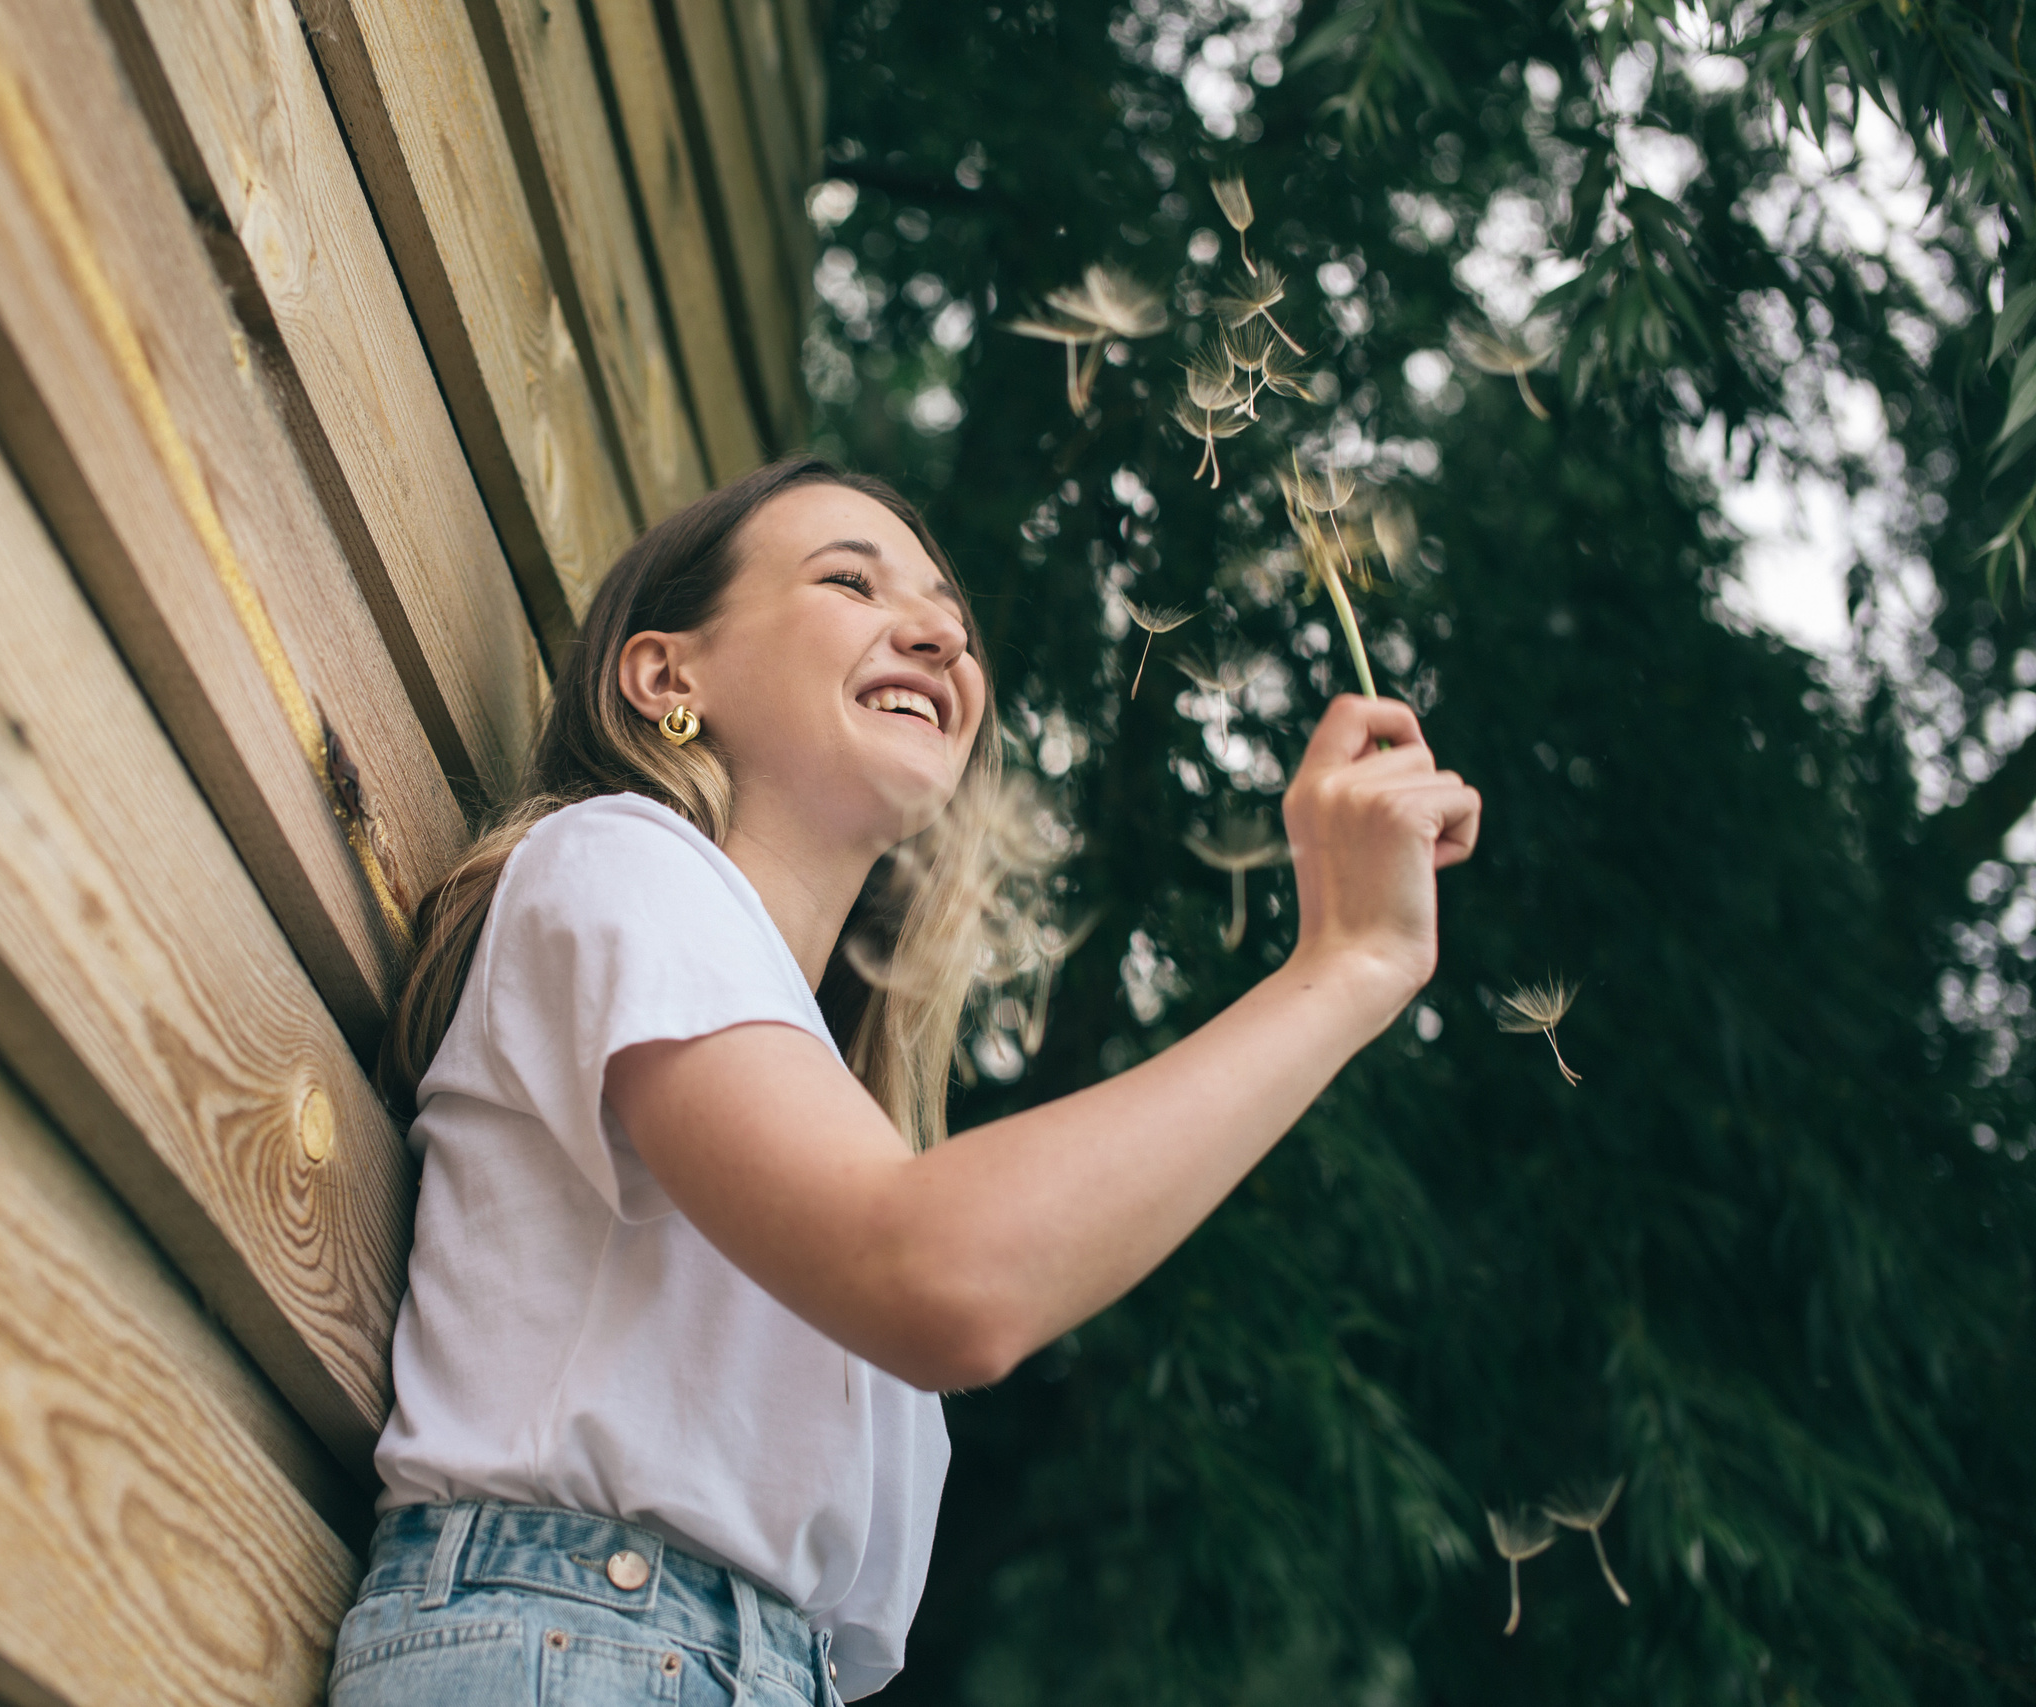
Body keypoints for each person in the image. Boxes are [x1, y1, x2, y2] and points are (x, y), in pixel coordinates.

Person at [328, 455, 1480, 1705]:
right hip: (587, 1645)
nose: (940, 635)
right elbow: (942, 1278)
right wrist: (1348, 966)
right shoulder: (614, 860)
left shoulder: (814, 1083)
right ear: (668, 678)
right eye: (850, 582)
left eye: (952, 618)